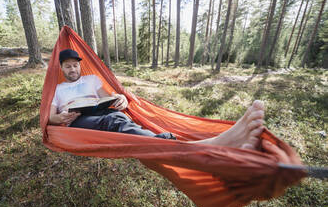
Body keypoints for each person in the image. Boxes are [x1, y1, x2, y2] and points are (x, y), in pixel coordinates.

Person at [48, 49, 270, 151]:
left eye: (75, 64)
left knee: (119, 117)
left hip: (101, 111)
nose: (73, 68)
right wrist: (61, 117)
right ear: (62, 68)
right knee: (113, 122)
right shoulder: (57, 89)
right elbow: (50, 117)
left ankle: (164, 142)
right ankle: (174, 144)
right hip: (78, 119)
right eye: (68, 66)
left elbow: (108, 98)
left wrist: (120, 98)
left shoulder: (92, 79)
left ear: (79, 65)